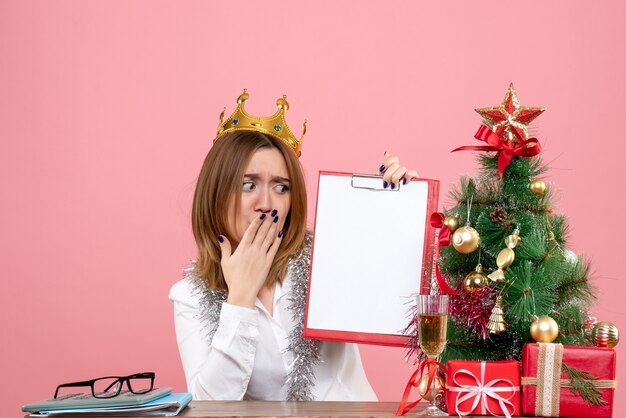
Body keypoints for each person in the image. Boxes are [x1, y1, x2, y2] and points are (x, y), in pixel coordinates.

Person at [169, 90, 418, 401]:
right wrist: (241, 298)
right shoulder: (190, 296)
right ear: (216, 194)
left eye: (281, 187)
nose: (266, 203)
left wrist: (402, 205)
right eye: (249, 185)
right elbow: (210, 405)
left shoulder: (328, 259)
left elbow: (406, 302)